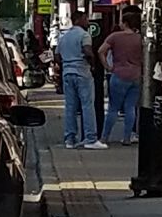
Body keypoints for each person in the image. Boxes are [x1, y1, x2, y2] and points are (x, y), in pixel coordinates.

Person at [55, 12, 105, 149]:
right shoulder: (84, 35)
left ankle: (70, 139)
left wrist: (66, 62)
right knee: (87, 105)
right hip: (82, 72)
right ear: (79, 20)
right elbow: (88, 51)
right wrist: (92, 64)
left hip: (67, 72)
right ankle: (90, 138)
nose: (87, 22)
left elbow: (57, 56)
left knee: (70, 107)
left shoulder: (63, 37)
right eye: (85, 19)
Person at [101, 11, 144, 146]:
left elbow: (101, 51)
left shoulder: (115, 37)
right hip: (136, 75)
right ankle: (127, 138)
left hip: (119, 74)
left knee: (113, 107)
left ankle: (104, 137)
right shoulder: (140, 38)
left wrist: (108, 67)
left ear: (125, 23)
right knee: (130, 107)